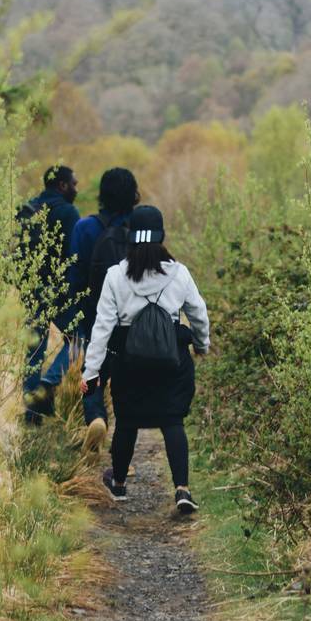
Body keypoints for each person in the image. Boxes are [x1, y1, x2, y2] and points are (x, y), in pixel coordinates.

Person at [80, 205, 210, 514]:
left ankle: (120, 484)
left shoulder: (116, 275)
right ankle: (182, 488)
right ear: (162, 236)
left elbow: (102, 327)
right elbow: (198, 314)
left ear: (129, 238)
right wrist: (202, 345)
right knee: (172, 420)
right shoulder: (179, 273)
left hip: (129, 360)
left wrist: (91, 371)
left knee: (127, 420)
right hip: (172, 360)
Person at [68, 167, 140, 450]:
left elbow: (74, 277)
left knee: (93, 373)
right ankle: (122, 446)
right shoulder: (139, 226)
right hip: (133, 317)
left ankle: (96, 419)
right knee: (127, 382)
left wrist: (74, 320)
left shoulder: (85, 228)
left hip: (95, 314)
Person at [21, 165, 80, 424]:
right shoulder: (68, 212)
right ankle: (48, 384)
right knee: (80, 339)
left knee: (34, 349)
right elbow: (74, 253)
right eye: (74, 183)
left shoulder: (27, 209)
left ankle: (31, 413)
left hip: (30, 287)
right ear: (63, 185)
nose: (77, 188)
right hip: (59, 289)